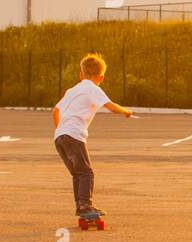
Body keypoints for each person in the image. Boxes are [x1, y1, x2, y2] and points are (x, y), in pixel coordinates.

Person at [52, 53, 132, 219]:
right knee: (86, 173)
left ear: (81, 75)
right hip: (74, 135)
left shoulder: (72, 90)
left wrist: (61, 129)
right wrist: (125, 111)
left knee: (78, 173)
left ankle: (80, 205)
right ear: (101, 77)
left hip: (60, 136)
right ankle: (85, 206)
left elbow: (55, 111)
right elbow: (111, 106)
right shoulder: (93, 89)